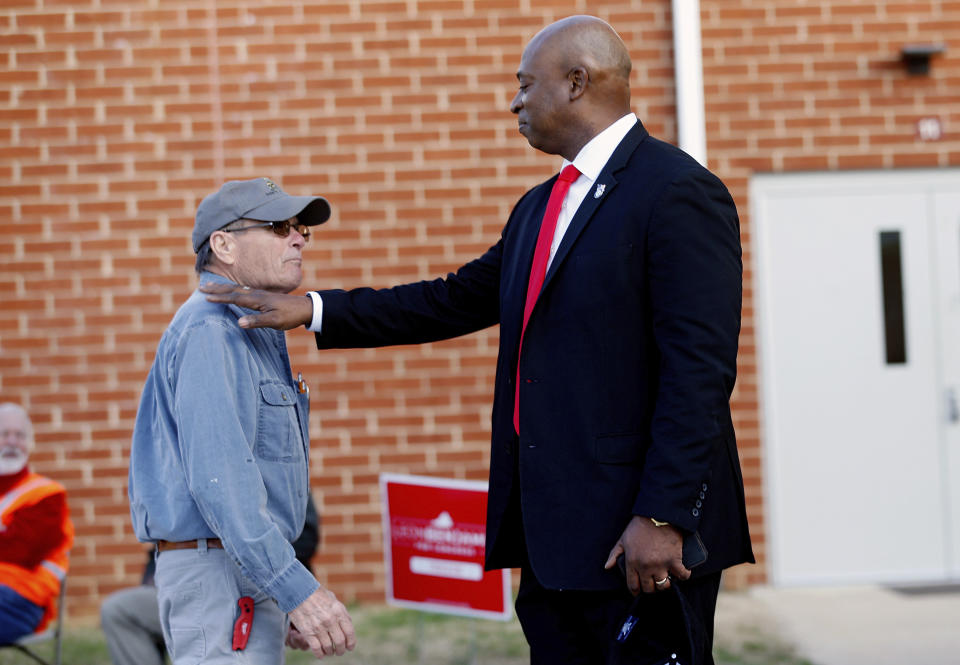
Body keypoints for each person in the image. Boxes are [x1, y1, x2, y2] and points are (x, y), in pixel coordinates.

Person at [203, 16, 753, 664]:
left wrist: (662, 515)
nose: (514, 102)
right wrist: (314, 310)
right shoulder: (538, 207)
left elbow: (700, 371)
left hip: (636, 540)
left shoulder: (677, 192)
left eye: (525, 85)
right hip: (553, 542)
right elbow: (449, 299)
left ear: (578, 82)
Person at [128, 177, 356, 664]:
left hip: (239, 573)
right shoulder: (212, 331)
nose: (297, 238)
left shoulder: (247, 328)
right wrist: (296, 589)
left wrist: (282, 588)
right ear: (223, 245)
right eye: (279, 227)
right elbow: (222, 482)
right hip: (217, 574)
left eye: (301, 230)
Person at [101, 496, 321, 665]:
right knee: (119, 610)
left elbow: (304, 541)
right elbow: (155, 555)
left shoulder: (277, 477)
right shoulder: (178, 486)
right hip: (178, 586)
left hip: (245, 586)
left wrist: (291, 597)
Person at [0, 403, 74, 645]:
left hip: (20, 602)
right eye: (4, 434)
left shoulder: (47, 495)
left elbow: (20, 552)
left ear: (29, 444)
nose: (12, 442)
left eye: (19, 435)